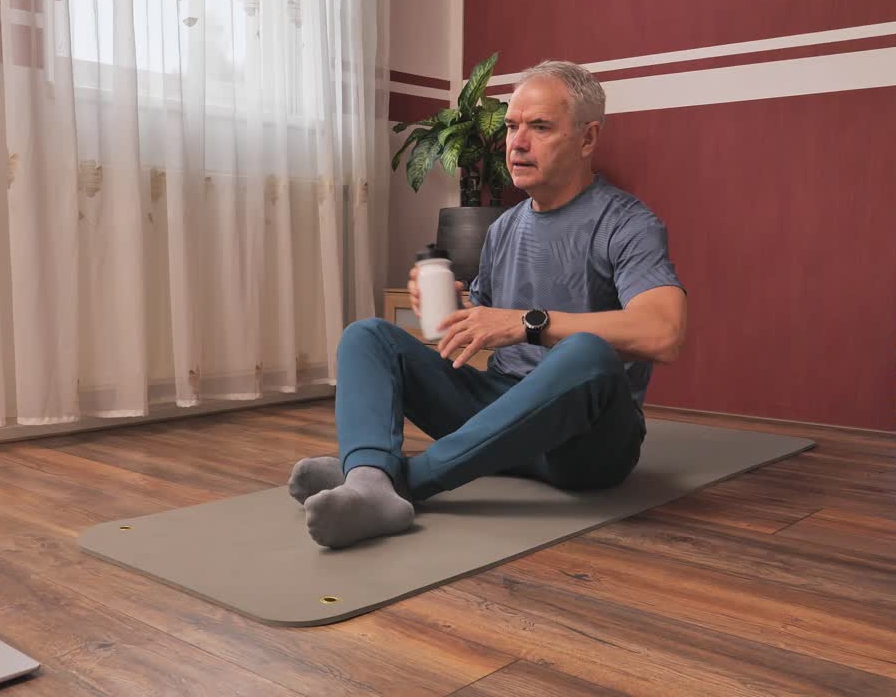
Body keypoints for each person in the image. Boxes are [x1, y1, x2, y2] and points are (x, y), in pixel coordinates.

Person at [288, 60, 688, 549]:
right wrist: (453, 306)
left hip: (584, 445)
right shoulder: (503, 229)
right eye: (513, 126)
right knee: (366, 336)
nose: (517, 143)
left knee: (587, 351)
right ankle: (371, 477)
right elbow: (483, 323)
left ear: (587, 139)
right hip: (497, 416)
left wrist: (527, 323)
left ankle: (393, 480)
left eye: (540, 127)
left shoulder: (627, 222)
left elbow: (664, 332)